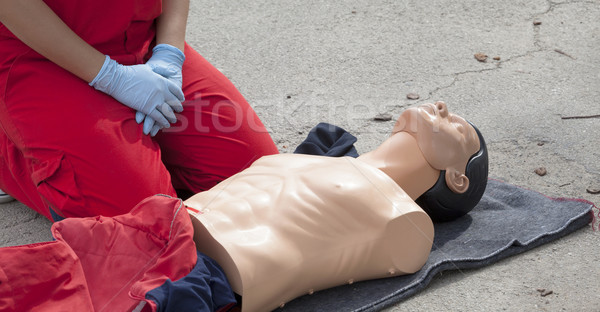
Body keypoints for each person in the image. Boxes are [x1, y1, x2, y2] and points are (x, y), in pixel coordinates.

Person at [0, 0, 278, 220]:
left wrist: (169, 52)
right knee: (143, 223)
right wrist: (111, 78)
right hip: (39, 59)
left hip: (141, 43)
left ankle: (135, 159)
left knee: (261, 185)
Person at [185, 101, 488, 312]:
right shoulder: (320, 158)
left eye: (459, 129)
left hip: (204, 276)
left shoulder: (406, 222)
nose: (443, 107)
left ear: (457, 179)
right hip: (167, 219)